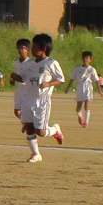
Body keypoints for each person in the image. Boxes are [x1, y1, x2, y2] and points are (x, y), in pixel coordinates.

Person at [18, 33, 64, 163]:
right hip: (28, 98)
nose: (32, 49)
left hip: (42, 100)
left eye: (35, 47)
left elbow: (60, 79)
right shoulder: (30, 63)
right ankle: (36, 154)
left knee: (41, 132)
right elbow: (23, 77)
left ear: (43, 49)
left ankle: (55, 130)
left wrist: (48, 84)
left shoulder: (51, 63)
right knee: (29, 127)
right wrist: (16, 77)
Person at [64, 51, 103, 128]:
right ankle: (80, 116)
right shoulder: (77, 69)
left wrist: (99, 91)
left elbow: (96, 80)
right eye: (84, 58)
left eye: (87, 58)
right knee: (78, 107)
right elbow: (72, 79)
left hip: (88, 86)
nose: (85, 60)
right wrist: (68, 88)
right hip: (80, 86)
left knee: (87, 104)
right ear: (82, 59)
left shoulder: (92, 69)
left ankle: (86, 122)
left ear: (90, 60)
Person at [10, 38, 33, 121]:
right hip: (19, 90)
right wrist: (13, 80)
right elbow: (17, 73)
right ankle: (29, 122)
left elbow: (26, 79)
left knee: (27, 111)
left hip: (27, 91)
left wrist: (16, 78)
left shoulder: (31, 63)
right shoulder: (16, 62)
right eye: (18, 48)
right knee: (17, 112)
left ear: (28, 49)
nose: (20, 50)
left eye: (22, 48)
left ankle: (31, 124)